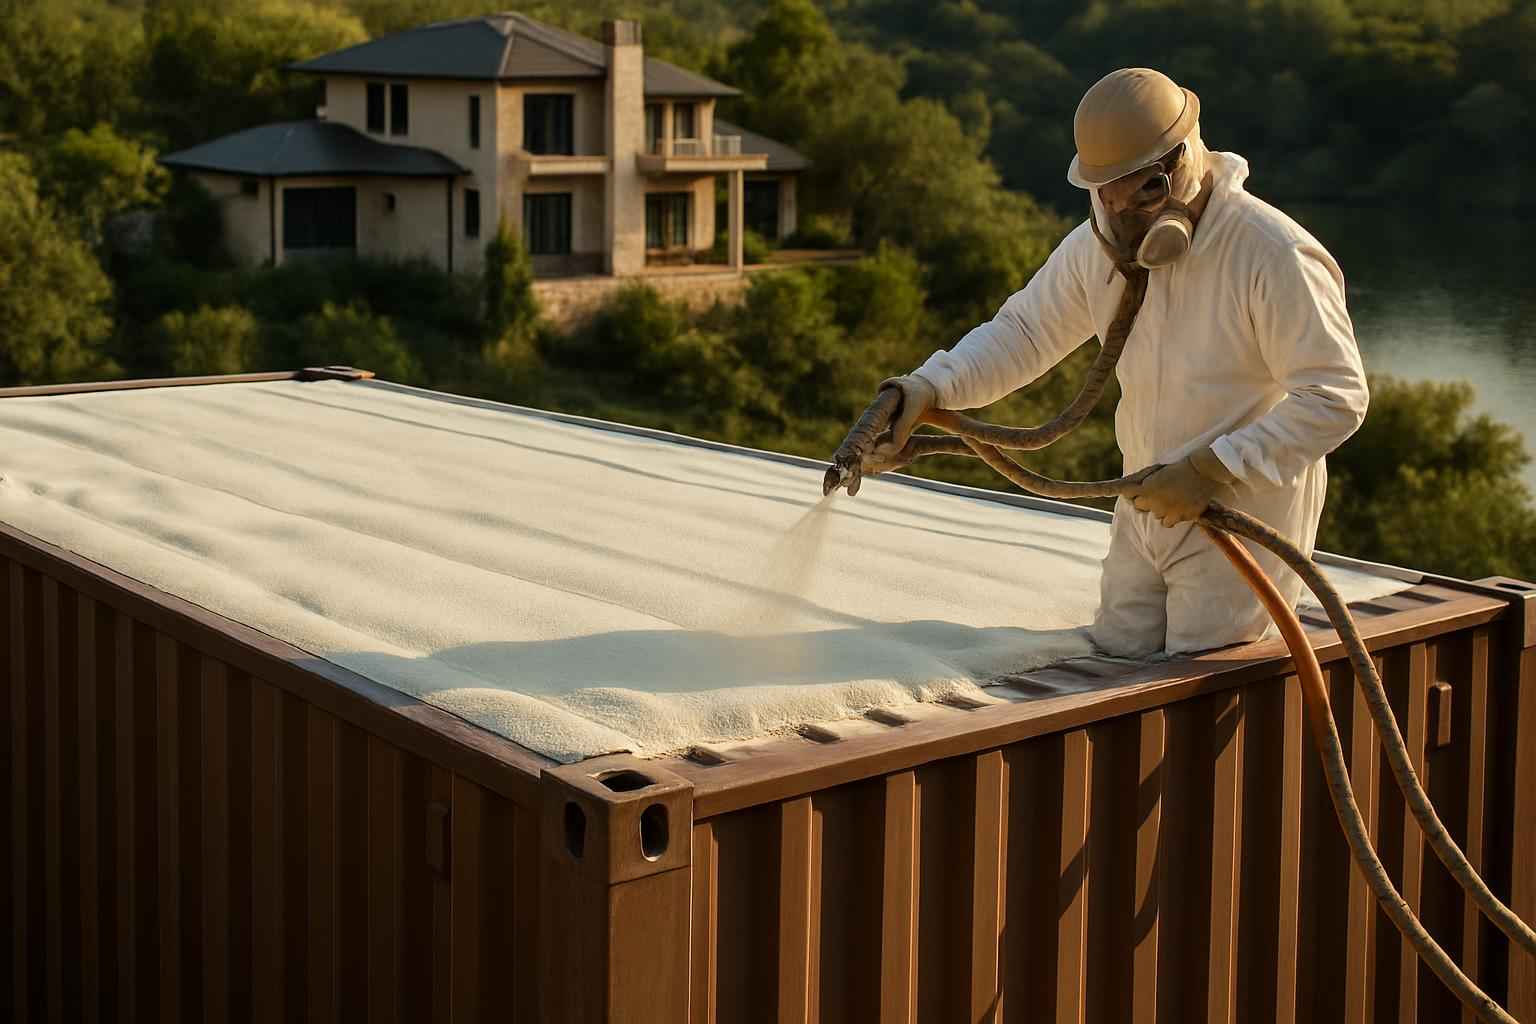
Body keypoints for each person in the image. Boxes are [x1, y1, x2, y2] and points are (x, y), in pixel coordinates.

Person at [869, 68, 1369, 657]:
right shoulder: (1097, 246)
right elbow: (1024, 333)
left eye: (1145, 192)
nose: (1126, 217)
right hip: (1145, 502)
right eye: (1108, 195)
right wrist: (930, 387)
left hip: (1241, 512)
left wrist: (1214, 468)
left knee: (1196, 690)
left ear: (1185, 160)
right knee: (1114, 665)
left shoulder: (1271, 253)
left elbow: (1336, 397)